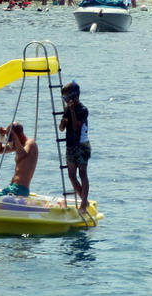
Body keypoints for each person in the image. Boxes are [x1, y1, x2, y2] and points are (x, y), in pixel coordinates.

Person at [59, 81, 91, 213]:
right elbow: (61, 129)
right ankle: (84, 199)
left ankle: (83, 204)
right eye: (64, 98)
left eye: (67, 98)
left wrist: (72, 111)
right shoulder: (68, 110)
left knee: (82, 173)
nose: (65, 101)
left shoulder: (83, 110)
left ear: (74, 96)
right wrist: (62, 122)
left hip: (81, 145)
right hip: (70, 145)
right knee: (71, 175)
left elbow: (77, 127)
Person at [0, 121, 38, 198]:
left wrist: (13, 136)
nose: (10, 140)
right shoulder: (18, 145)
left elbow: (22, 154)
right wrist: (1, 136)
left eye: (11, 137)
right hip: (13, 187)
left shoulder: (30, 143)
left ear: (20, 135)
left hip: (19, 189)